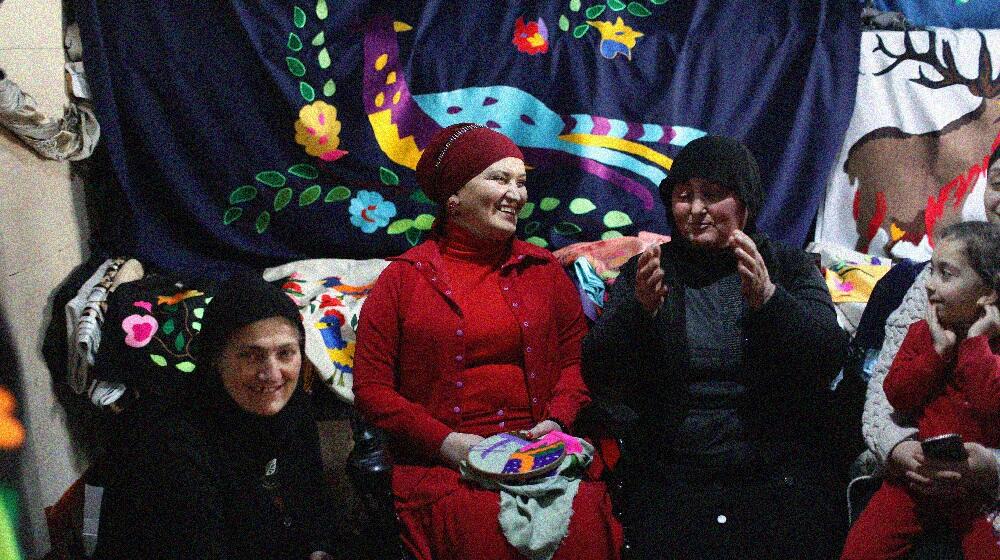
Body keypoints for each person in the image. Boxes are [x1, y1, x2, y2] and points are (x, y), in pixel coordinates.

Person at [352, 123, 623, 560]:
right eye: (499, 178)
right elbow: (372, 390)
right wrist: (447, 444)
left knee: (583, 518)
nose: (516, 193)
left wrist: (556, 421)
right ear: (453, 197)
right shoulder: (402, 280)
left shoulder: (544, 272)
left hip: (543, 455)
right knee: (481, 525)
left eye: (521, 182)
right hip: (446, 469)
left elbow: (578, 362)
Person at [583, 135, 849, 559]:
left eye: (713, 195)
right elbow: (599, 374)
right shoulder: (649, 270)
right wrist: (639, 313)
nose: (696, 209)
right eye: (684, 196)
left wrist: (769, 300)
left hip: (772, 470)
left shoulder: (786, 266)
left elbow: (830, 358)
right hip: (671, 469)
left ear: (745, 203)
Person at [93, 275, 339, 560]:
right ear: (215, 359)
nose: (272, 374)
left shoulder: (292, 410)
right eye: (250, 355)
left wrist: (319, 548)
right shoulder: (169, 444)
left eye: (285, 353)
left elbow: (315, 506)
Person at [860, 146, 1000, 553]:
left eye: (947, 274)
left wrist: (992, 467)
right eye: (997, 184)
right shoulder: (933, 291)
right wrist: (900, 450)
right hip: (916, 476)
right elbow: (886, 393)